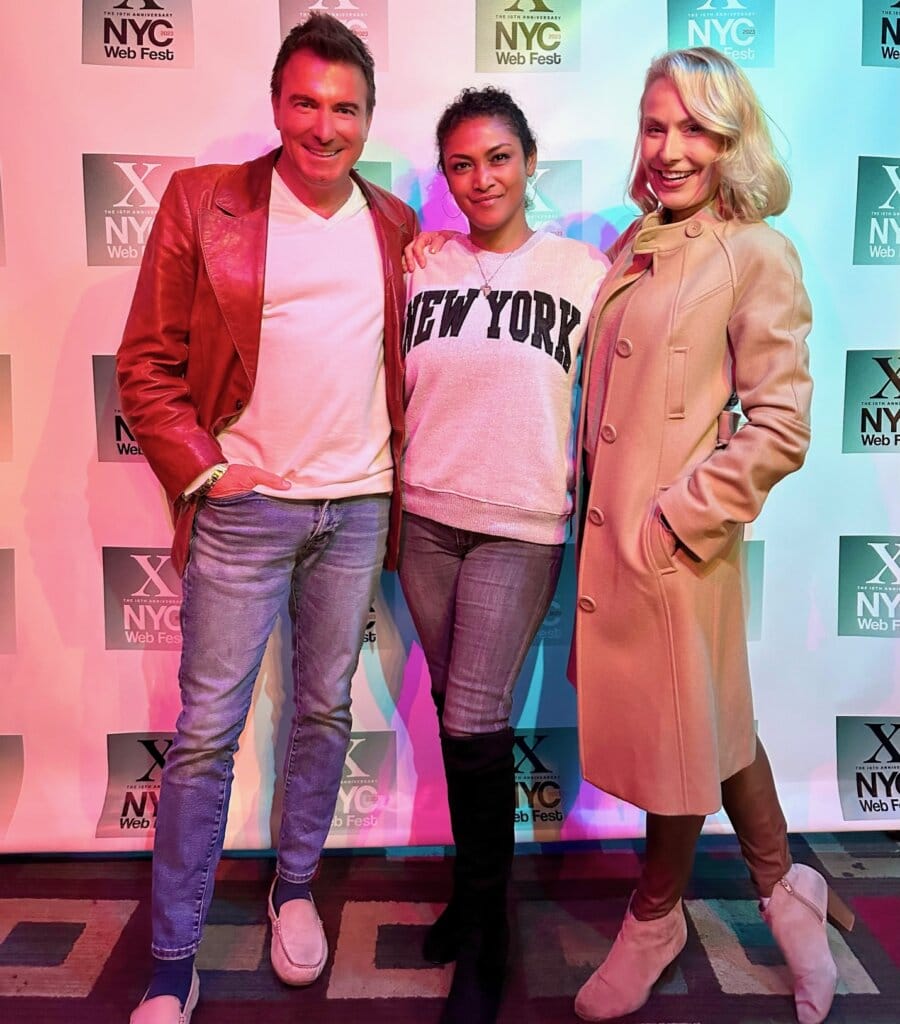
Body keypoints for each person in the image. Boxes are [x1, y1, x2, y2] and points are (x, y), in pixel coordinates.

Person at [116, 13, 417, 1023]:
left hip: (359, 507)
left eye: (346, 108)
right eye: (306, 102)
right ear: (275, 104)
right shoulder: (205, 203)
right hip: (245, 514)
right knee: (206, 734)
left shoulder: (394, 225)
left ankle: (295, 887)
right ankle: (171, 958)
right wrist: (206, 471)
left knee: (324, 711)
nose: (324, 127)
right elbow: (147, 367)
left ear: (368, 118)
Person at [570, 47, 852, 1024]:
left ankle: (656, 915)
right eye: (656, 126)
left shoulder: (757, 250)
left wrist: (673, 521)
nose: (671, 148)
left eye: (695, 127)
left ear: (731, 139)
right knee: (714, 724)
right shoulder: (637, 241)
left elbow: (782, 424)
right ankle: (787, 892)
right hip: (621, 552)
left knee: (684, 735)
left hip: (678, 551)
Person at [400, 87, 607, 1024]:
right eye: (460, 164)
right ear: (445, 177)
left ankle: (489, 933)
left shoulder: (582, 271)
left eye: (497, 158)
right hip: (424, 522)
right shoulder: (421, 264)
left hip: (522, 524)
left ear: (528, 160)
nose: (480, 178)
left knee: (475, 718)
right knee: (456, 719)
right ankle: (471, 896)